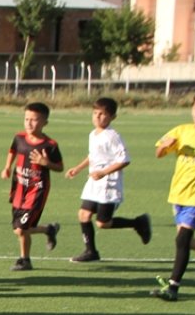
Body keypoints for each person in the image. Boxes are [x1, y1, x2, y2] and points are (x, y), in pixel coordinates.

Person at [64, 97, 151, 262]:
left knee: (103, 223)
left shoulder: (112, 136)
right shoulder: (93, 134)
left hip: (108, 184)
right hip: (94, 182)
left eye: (102, 114)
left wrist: (103, 172)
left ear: (112, 117)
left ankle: (138, 223)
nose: (97, 117)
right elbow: (93, 155)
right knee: (83, 214)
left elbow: (124, 159)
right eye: (95, 113)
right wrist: (78, 168)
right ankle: (91, 252)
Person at [151, 91, 195, 301]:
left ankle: (173, 287)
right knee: (185, 241)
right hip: (178, 194)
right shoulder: (181, 130)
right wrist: (165, 145)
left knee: (182, 239)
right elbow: (159, 153)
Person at [0, 102, 64, 271]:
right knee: (18, 229)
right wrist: (7, 167)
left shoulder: (50, 145)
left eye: (34, 120)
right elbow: (12, 150)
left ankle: (25, 260)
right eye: (26, 119)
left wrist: (45, 162)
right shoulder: (19, 138)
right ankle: (48, 229)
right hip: (20, 188)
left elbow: (59, 167)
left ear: (44, 123)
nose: (29, 123)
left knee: (21, 229)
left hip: (37, 191)